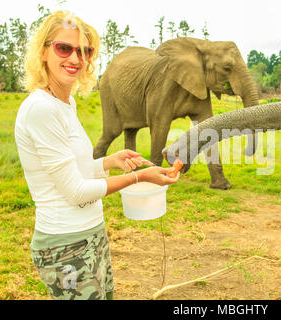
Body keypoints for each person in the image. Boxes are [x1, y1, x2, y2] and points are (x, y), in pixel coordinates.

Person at [14, 11, 180, 300]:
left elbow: (74, 171)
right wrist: (138, 177)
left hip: (91, 234)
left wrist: (108, 162)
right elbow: (76, 191)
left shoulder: (65, 104)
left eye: (85, 51)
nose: (76, 59)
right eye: (64, 48)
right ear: (43, 51)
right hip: (64, 246)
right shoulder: (41, 109)